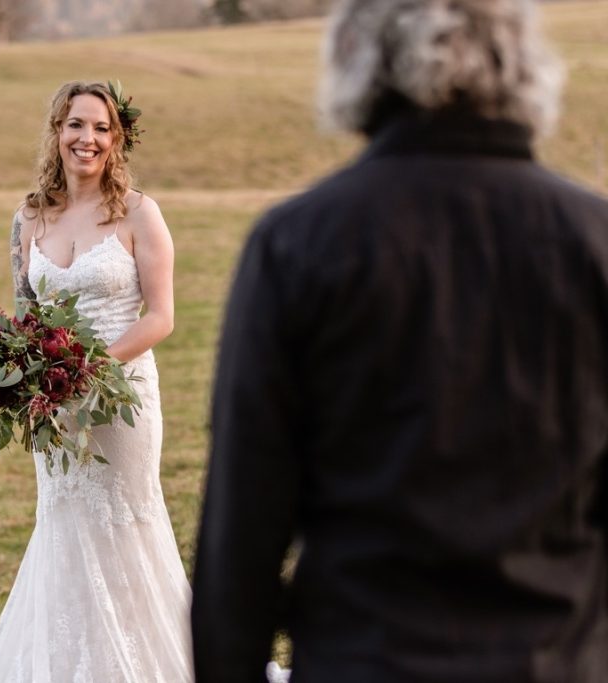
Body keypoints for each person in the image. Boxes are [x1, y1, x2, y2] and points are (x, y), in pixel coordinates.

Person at [192, 0, 608, 681]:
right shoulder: (595, 244)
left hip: (366, 656)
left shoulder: (299, 244)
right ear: (519, 56)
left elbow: (244, 522)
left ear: (360, 53)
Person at [0, 81, 194, 682]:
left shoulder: (140, 214)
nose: (86, 139)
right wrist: (11, 375)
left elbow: (160, 317)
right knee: (65, 530)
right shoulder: (27, 218)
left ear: (117, 139)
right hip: (56, 411)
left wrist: (90, 370)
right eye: (75, 125)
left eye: (100, 128)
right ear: (56, 131)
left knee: (126, 530)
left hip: (120, 405)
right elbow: (23, 317)